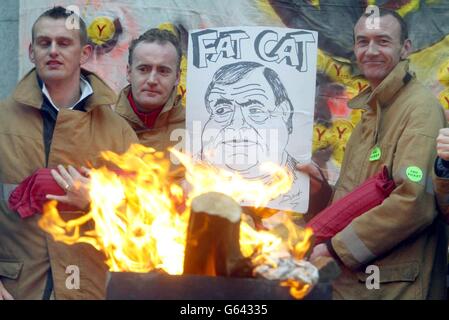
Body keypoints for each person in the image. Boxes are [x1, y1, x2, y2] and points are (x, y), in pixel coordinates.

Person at [299, 8, 447, 299]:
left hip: (394, 288)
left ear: (406, 48)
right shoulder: (371, 113)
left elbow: (414, 202)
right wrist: (319, 192)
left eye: (382, 41)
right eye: (362, 41)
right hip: (356, 285)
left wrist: (335, 248)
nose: (371, 50)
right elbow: (359, 198)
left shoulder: (420, 110)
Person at [0, 6, 138, 300]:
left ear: (85, 53)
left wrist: (98, 199)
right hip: (18, 290)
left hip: (89, 291)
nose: (53, 51)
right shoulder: (2, 122)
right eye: (44, 42)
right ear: (31, 52)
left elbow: (143, 220)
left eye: (64, 43)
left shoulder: (118, 132)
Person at [201, 61, 302, 209]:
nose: (236, 124)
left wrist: (318, 191)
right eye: (221, 110)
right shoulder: (194, 174)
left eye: (255, 110)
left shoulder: (302, 183)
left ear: (284, 113)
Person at [114, 28, 185, 157]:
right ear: (129, 73)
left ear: (177, 77)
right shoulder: (100, 125)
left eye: (163, 71)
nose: (152, 80)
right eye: (143, 69)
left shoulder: (196, 129)